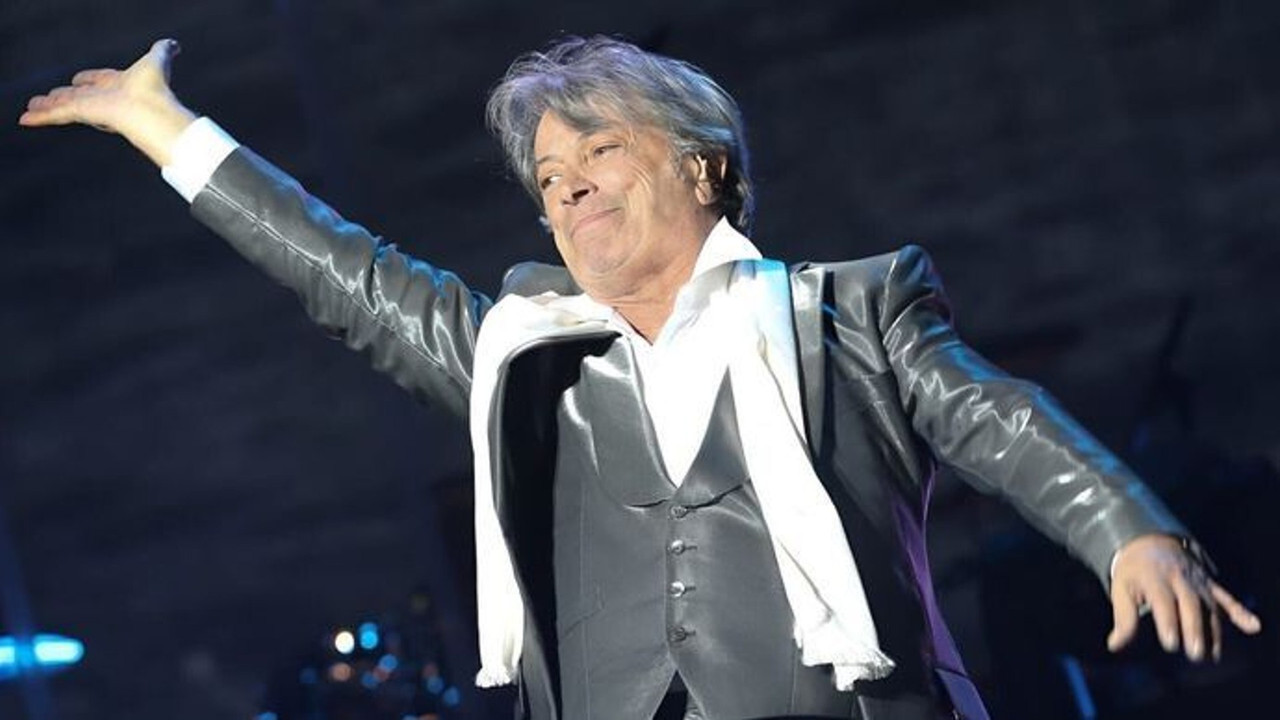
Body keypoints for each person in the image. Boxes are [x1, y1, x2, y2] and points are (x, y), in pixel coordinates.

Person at [20, 37, 1261, 720]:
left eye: (598, 151)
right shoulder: (523, 363)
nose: (564, 185)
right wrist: (162, 127)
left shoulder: (847, 311)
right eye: (546, 178)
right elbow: (345, 273)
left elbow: (996, 416)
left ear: (702, 170)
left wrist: (1125, 529)